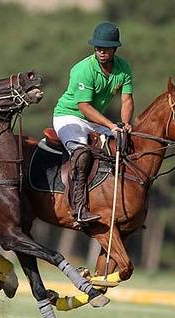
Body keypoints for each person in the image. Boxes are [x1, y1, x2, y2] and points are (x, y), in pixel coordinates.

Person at [52, 21, 134, 224]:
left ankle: (127, 208)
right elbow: (84, 107)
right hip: (69, 117)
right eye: (97, 47)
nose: (101, 51)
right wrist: (111, 125)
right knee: (81, 155)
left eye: (105, 47)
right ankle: (78, 208)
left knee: (128, 144)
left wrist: (124, 124)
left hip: (94, 120)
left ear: (115, 48)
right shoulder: (83, 70)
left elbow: (127, 99)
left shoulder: (124, 68)